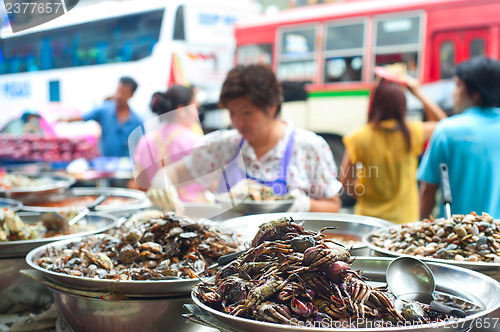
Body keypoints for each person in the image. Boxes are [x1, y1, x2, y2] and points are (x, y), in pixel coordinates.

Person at [149, 64, 342, 212]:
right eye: (232, 113)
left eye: (247, 113)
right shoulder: (223, 147)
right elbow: (175, 173)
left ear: (271, 106)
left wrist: (302, 204)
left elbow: (333, 206)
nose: (238, 122)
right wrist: (162, 181)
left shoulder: (309, 146)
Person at [339, 76, 447, 224]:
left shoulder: (359, 137)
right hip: (404, 221)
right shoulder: (411, 132)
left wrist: (365, 195)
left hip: (368, 220)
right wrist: (418, 93)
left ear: (374, 103)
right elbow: (444, 125)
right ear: (402, 105)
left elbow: (345, 180)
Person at [418, 57, 500, 219]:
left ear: (476, 93)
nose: (453, 93)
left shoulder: (448, 130)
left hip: (456, 238)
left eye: (458, 86)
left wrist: (420, 230)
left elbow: (428, 190)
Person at [130, 85, 206, 202]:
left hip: (157, 211)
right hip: (194, 210)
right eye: (195, 107)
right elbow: (212, 182)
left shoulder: (146, 140)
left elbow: (140, 181)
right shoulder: (194, 140)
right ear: (181, 110)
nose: (197, 114)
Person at [61, 77, 143, 157]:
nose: (119, 96)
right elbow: (83, 117)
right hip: (105, 163)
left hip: (127, 165)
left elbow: (142, 148)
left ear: (131, 95)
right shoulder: (104, 110)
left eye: (124, 93)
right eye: (118, 91)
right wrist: (63, 119)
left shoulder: (137, 121)